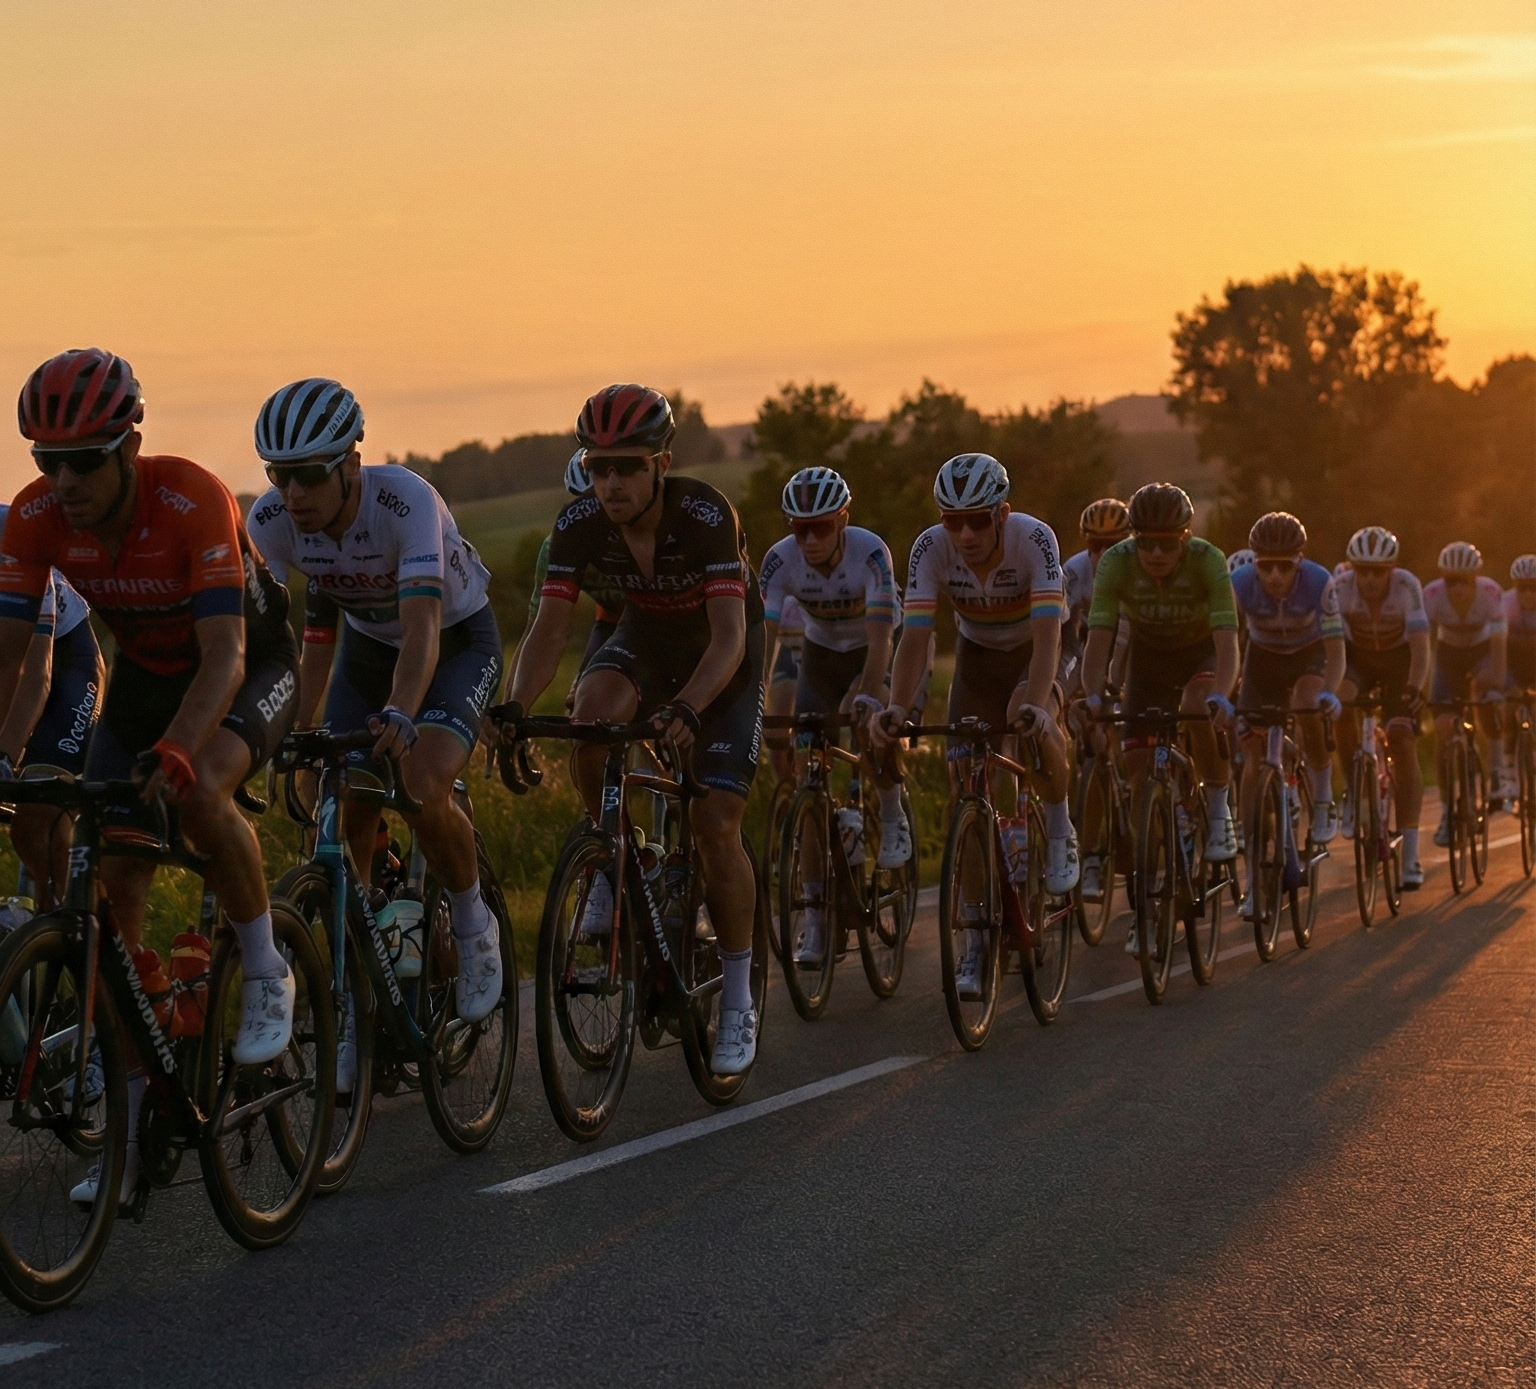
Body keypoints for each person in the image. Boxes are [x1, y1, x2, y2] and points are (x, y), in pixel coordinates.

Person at [0, 348, 301, 1206]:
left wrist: (177, 749)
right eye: (45, 461)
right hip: (143, 677)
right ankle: (136, 1125)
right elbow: (9, 656)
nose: (63, 480)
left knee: (202, 787)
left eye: (83, 459)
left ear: (129, 444)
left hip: (245, 664)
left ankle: (266, 962)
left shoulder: (192, 497)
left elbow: (226, 653)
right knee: (108, 896)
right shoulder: (33, 518)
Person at [500, 384, 764, 1075]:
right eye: (597, 466)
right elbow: (550, 626)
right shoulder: (578, 522)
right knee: (591, 716)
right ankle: (620, 859)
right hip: (647, 633)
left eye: (626, 466)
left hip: (722, 653)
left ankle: (737, 996)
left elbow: (730, 636)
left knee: (714, 820)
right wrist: (515, 708)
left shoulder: (706, 513)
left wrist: (688, 709)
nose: (609, 482)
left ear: (661, 463)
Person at [246, 378, 505, 1032]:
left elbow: (422, 627)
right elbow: (266, 643)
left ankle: (474, 925)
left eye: (308, 474)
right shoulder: (269, 522)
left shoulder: (404, 501)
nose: (293, 492)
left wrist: (400, 712)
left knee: (419, 783)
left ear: (351, 464)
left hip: (454, 641)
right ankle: (361, 990)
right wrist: (284, 728)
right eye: (280, 475)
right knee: (341, 809)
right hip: (367, 647)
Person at [872, 453, 1074, 995]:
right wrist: (897, 704)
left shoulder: (1034, 539)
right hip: (979, 655)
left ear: (1002, 514)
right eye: (951, 520)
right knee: (965, 772)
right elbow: (914, 637)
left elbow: (1050, 633)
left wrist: (1036, 703)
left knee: (1028, 722)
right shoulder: (928, 549)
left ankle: (1058, 827)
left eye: (977, 520)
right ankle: (977, 941)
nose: (963, 533)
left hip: (1036, 648)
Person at [1079, 483, 1238, 951]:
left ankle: (1216, 805)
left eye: (1167, 542)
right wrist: (1092, 694)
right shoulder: (1116, 563)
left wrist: (1223, 696)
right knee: (1137, 781)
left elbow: (1229, 645)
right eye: (1145, 541)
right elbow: (1099, 642)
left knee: (1194, 709)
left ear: (1185, 538)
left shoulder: (1209, 560)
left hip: (1199, 655)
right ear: (1133, 540)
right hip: (1148, 660)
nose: (1155, 552)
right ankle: (1147, 905)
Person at [760, 466, 908, 964]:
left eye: (820, 527)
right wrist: (754, 700)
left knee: (867, 723)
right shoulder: (779, 562)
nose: (809, 539)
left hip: (873, 648)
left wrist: (868, 697)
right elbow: (767, 639)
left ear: (843, 519)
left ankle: (891, 814)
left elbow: (883, 635)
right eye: (799, 529)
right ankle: (818, 922)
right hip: (822, 656)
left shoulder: (871, 552)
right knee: (808, 777)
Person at [1225, 513, 1346, 913]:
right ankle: (1253, 878)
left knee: (1307, 703)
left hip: (1308, 657)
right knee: (1253, 763)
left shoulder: (1318, 581)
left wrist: (1330, 691)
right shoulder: (1239, 584)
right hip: (1262, 661)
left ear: (1299, 561)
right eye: (1266, 566)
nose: (1275, 576)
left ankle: (1324, 793)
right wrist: (1226, 692)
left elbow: (1335, 650)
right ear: (1254, 562)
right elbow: (1227, 643)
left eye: (1284, 566)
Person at [0, 501, 104, 905]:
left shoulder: (17, 544)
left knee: (37, 818)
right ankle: (41, 924)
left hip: (68, 673)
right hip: (11, 669)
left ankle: (83, 919)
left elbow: (35, 675)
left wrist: (5, 754)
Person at [1332, 526, 1430, 887]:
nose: (1370, 579)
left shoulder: (1407, 587)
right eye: (1363, 571)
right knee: (1340, 703)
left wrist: (1414, 689)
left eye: (1379, 571)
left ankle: (1411, 856)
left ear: (1393, 569)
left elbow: (1421, 648)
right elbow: (1335, 650)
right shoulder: (1340, 588)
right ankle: (1352, 789)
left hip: (1398, 660)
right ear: (1352, 569)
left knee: (1402, 738)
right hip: (1356, 657)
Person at [1423, 542, 1507, 844]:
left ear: (1476, 579)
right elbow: (1420, 644)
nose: (1457, 588)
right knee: (1444, 731)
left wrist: (1497, 683)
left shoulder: (1491, 593)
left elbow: (1499, 644)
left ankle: (1496, 771)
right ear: (1444, 580)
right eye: (1451, 581)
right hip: (1448, 656)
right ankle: (1447, 813)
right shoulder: (1431, 596)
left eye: (1465, 581)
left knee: (1486, 692)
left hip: (1482, 651)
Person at [1501, 555, 1536, 799]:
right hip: (1512, 661)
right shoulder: (1506, 604)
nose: (1528, 594)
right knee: (1509, 708)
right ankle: (1509, 770)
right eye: (1522, 588)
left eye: (1533, 588)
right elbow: (1496, 648)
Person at [763, 592, 805, 783]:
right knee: (777, 723)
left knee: (816, 719)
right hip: (788, 648)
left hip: (826, 650)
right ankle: (787, 786)